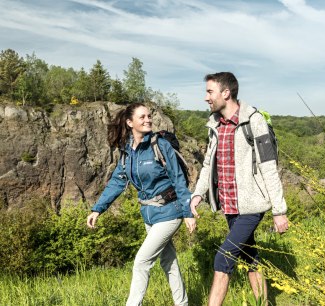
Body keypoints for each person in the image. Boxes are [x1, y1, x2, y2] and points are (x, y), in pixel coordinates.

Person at [190, 72, 289, 306]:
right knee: (249, 255)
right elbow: (208, 164)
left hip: (252, 204)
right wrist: (197, 193)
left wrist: (279, 210)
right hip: (230, 205)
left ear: (226, 93)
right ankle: (264, 303)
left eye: (209, 91)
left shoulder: (254, 120)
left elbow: (268, 167)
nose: (206, 97)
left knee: (222, 258)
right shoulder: (215, 124)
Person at [86, 102, 196, 306]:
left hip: (169, 212)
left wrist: (188, 212)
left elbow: (178, 179)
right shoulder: (127, 151)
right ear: (130, 123)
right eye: (142, 117)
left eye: (149, 116)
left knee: (141, 262)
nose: (148, 120)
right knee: (168, 262)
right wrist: (97, 209)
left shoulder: (160, 145)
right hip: (149, 215)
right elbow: (118, 182)